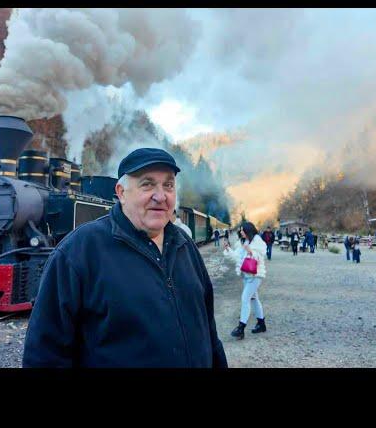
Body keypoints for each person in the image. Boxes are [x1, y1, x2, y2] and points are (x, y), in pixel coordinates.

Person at [23, 147, 227, 368]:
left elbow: (209, 333)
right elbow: (44, 355)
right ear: (121, 192)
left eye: (168, 185)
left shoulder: (186, 247)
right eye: (147, 184)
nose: (160, 196)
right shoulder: (79, 252)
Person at [223, 221, 267, 340]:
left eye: (243, 230)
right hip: (247, 275)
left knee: (245, 298)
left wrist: (250, 251)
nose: (241, 232)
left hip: (255, 275)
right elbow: (238, 257)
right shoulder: (246, 242)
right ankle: (261, 324)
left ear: (248, 230)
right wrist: (228, 250)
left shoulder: (258, 241)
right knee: (254, 299)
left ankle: (241, 328)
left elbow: (262, 254)